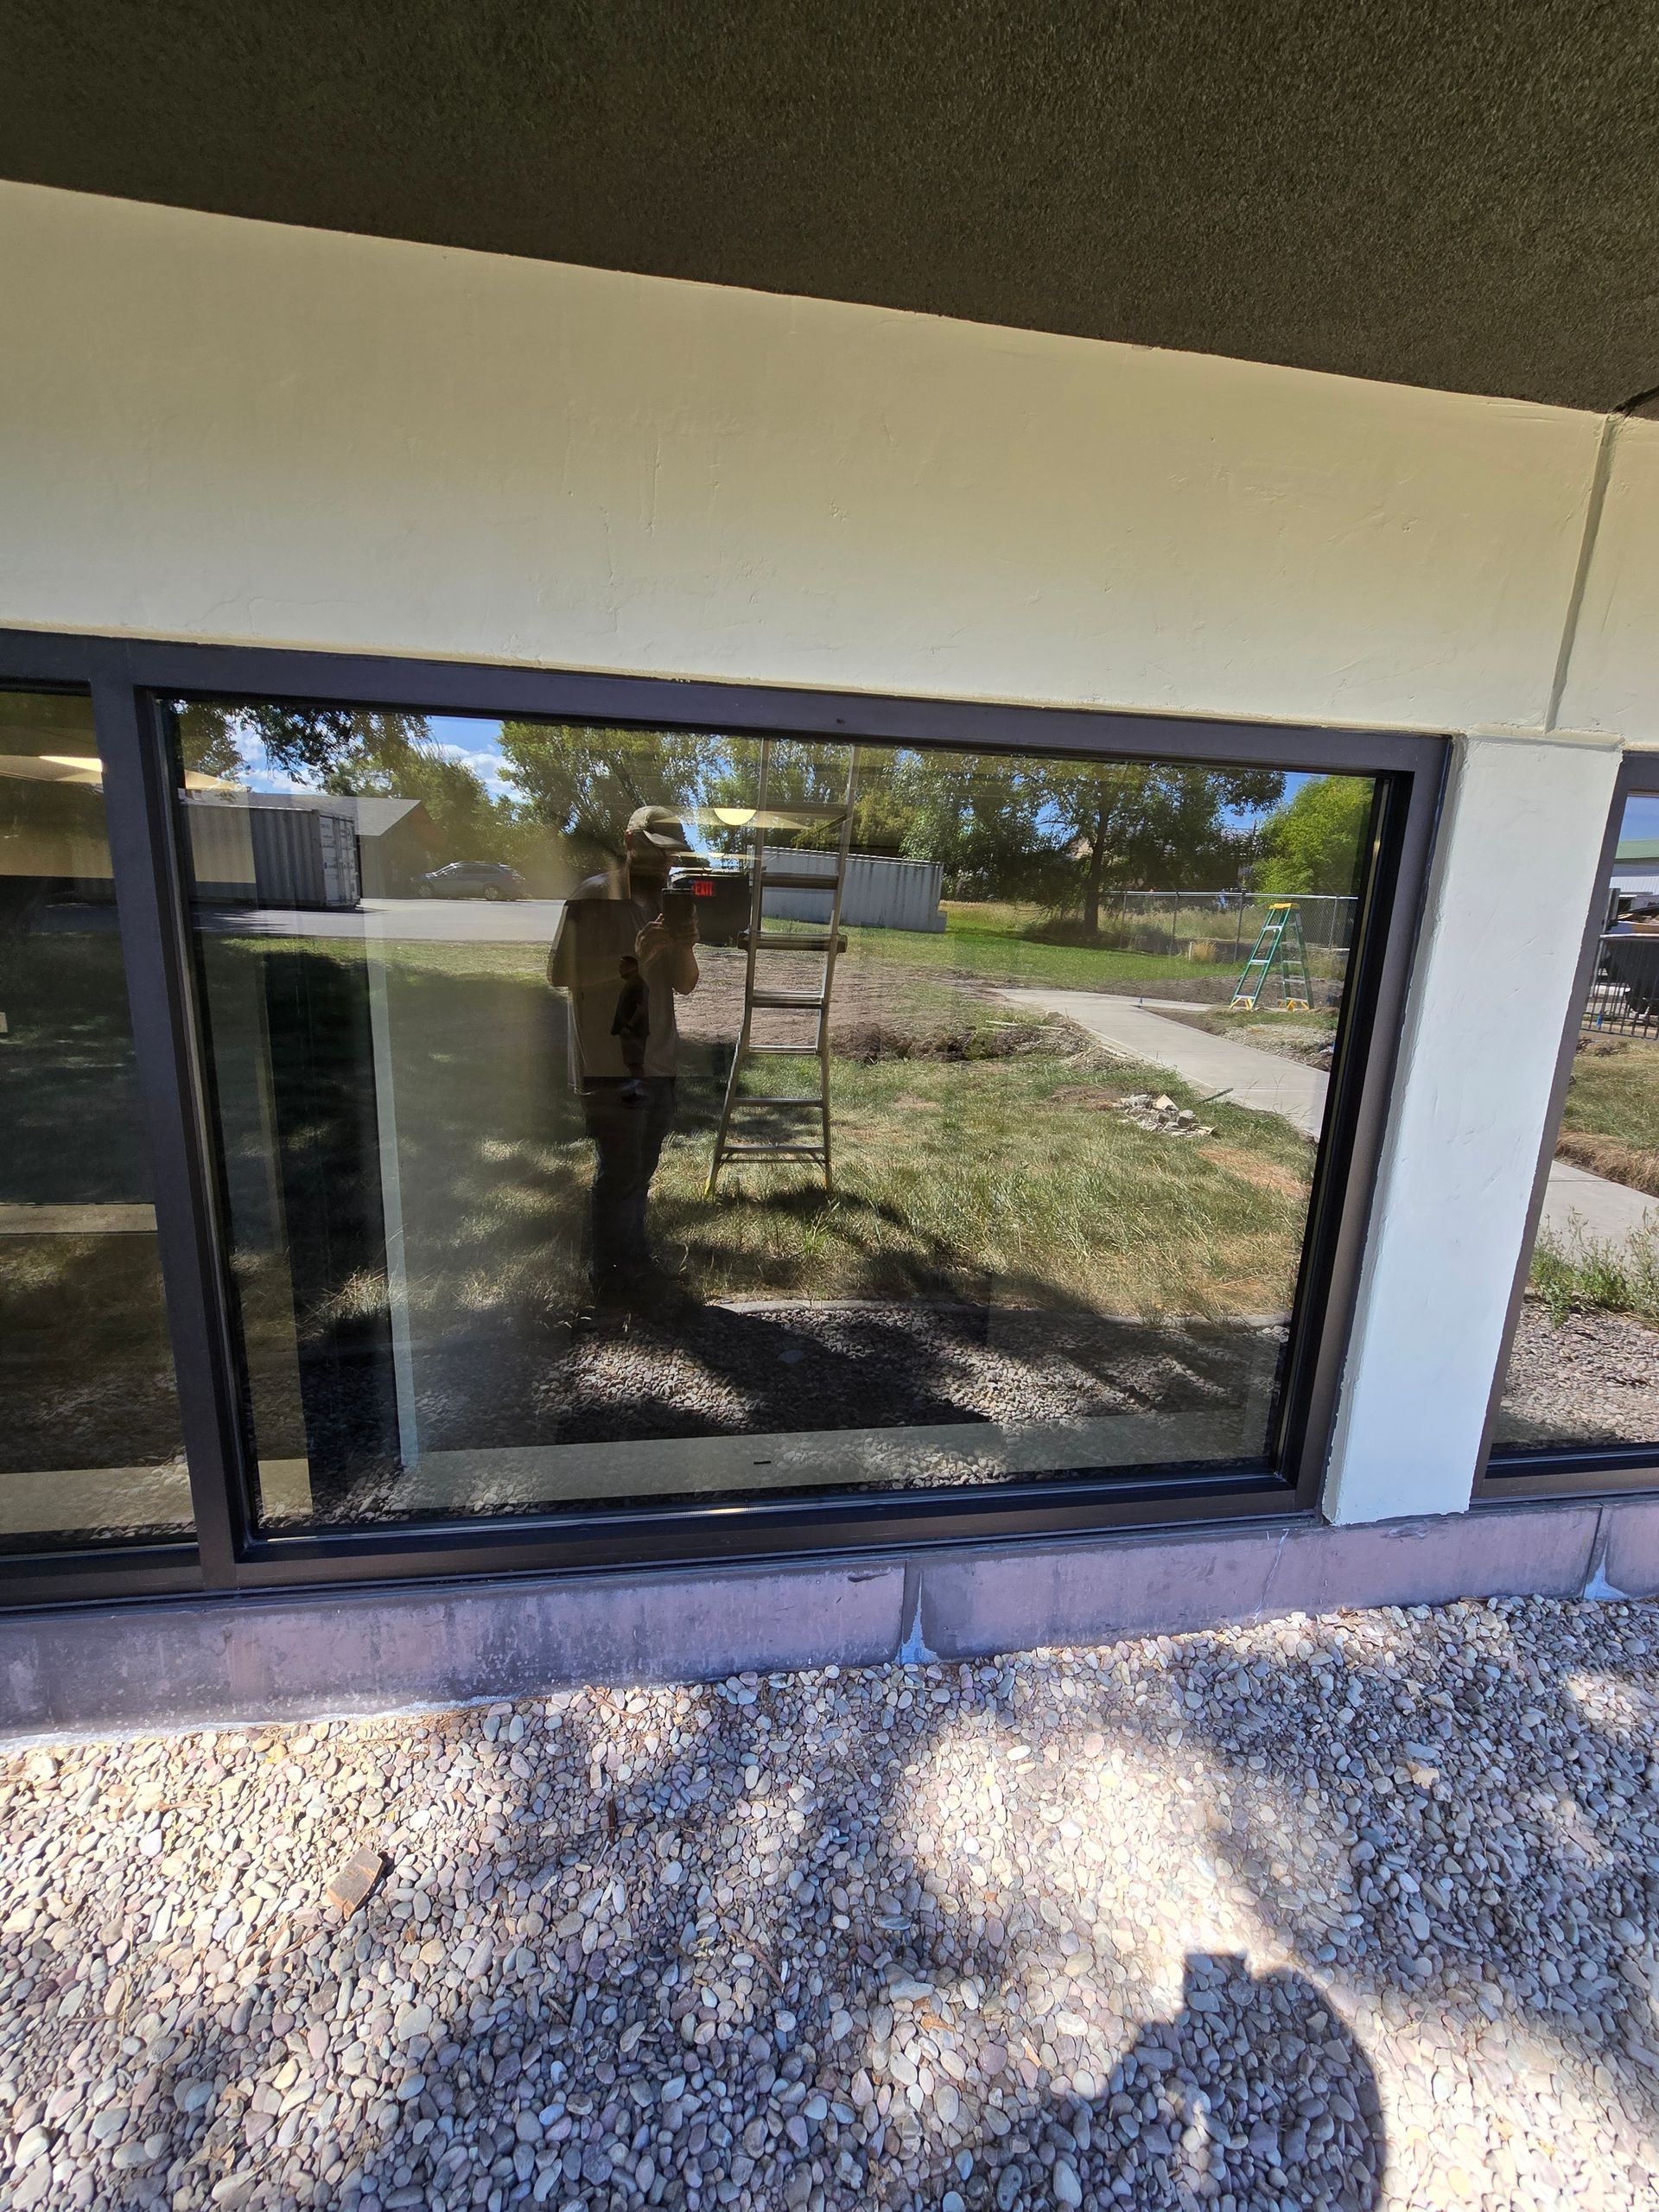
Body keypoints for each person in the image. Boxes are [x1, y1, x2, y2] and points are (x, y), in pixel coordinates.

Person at [547, 805, 700, 1303]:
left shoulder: (669, 903)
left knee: (641, 1169)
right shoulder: (594, 896)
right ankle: (610, 1277)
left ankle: (633, 1262)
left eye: (671, 854)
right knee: (619, 1171)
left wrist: (684, 947)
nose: (663, 863)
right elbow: (559, 974)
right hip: (610, 1062)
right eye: (654, 850)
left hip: (659, 1060)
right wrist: (634, 958)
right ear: (629, 842)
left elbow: (686, 984)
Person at [611, 954, 650, 1101]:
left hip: (634, 1032)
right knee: (632, 1063)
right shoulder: (633, 983)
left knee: (635, 1064)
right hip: (631, 1031)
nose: (620, 970)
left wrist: (628, 1026)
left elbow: (640, 1009)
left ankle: (638, 1094)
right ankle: (635, 1093)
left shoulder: (638, 985)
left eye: (623, 967)